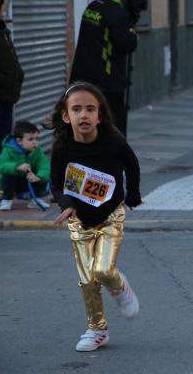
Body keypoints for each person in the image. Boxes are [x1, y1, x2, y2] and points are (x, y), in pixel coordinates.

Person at [45, 82, 142, 352]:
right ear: (66, 116)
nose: (84, 115)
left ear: (99, 115)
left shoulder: (112, 140)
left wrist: (132, 194)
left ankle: (121, 288)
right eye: (77, 109)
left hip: (111, 215)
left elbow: (132, 165)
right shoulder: (62, 147)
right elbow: (55, 184)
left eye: (90, 109)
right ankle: (97, 329)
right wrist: (65, 203)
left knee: (102, 270)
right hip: (79, 219)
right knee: (87, 280)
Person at [70, 0, 137, 136]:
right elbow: (128, 43)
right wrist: (131, 25)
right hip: (107, 83)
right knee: (110, 126)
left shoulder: (92, 7)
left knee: (86, 123)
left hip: (82, 78)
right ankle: (110, 158)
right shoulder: (116, 12)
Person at [0, 0, 24, 189]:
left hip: (6, 93)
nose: (5, 6)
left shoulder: (1, 29)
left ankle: (4, 169)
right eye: (3, 2)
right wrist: (4, 79)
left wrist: (18, 75)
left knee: (4, 134)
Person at [0, 121, 50, 211]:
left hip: (26, 181)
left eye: (37, 139)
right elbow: (1, 165)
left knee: (42, 177)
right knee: (8, 175)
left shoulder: (37, 152)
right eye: (31, 139)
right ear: (19, 141)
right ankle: (7, 199)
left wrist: (38, 177)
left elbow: (45, 167)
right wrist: (17, 166)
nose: (35, 142)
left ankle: (34, 199)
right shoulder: (8, 149)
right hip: (10, 183)